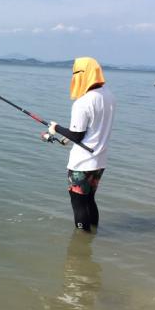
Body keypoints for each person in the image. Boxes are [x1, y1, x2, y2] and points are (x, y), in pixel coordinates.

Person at [47, 57, 116, 232]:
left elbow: (77, 135)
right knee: (90, 199)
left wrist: (56, 128)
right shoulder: (108, 95)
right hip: (100, 161)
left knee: (78, 203)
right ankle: (93, 235)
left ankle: (82, 240)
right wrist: (67, 138)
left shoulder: (83, 102)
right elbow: (90, 129)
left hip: (82, 163)